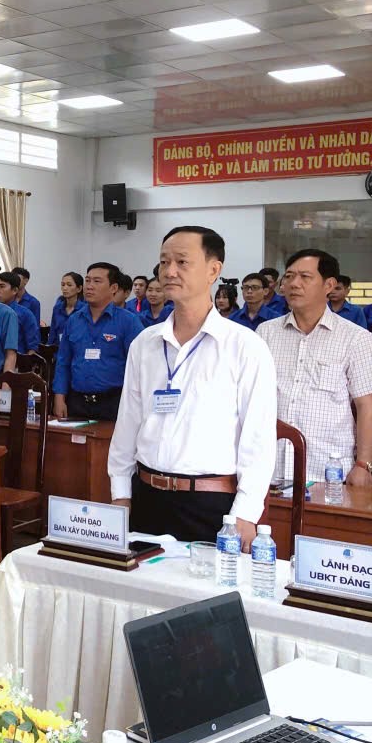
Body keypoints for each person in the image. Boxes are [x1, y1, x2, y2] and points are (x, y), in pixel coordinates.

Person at [109, 226, 276, 548]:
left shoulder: (244, 346)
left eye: (182, 262)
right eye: (164, 262)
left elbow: (258, 438)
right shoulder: (145, 343)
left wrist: (246, 513)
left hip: (212, 505)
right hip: (147, 496)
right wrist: (120, 493)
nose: (169, 271)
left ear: (213, 270)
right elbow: (128, 423)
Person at [259, 249, 372, 489]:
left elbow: (367, 406)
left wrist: (363, 464)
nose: (294, 284)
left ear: (329, 285)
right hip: (269, 469)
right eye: (289, 276)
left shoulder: (355, 338)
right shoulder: (265, 333)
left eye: (305, 277)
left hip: (327, 471)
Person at [52, 263, 145, 421]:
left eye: (97, 281)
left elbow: (140, 365)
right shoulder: (74, 320)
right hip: (77, 402)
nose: (89, 286)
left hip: (113, 403)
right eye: (88, 280)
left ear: (113, 288)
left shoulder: (128, 321)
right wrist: (59, 397)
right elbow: (63, 362)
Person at [0, 271, 40, 354]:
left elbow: (32, 347)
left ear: (14, 290)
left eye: (2, 287)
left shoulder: (25, 314)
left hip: (17, 359)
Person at [48, 271, 83, 346]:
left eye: (69, 285)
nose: (65, 288)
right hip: (58, 349)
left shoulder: (84, 309)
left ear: (79, 289)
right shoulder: (57, 308)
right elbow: (52, 333)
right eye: (63, 285)